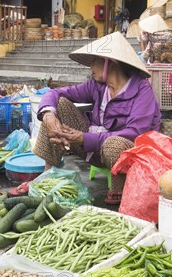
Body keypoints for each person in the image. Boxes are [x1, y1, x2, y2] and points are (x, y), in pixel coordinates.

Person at [34, 32, 161, 205]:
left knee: (114, 143)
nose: (91, 67)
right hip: (91, 149)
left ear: (111, 62)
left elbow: (136, 133)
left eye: (95, 61)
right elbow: (55, 93)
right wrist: (48, 115)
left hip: (127, 156)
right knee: (60, 105)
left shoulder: (141, 90)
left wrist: (84, 138)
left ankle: (119, 193)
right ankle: (47, 177)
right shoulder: (97, 87)